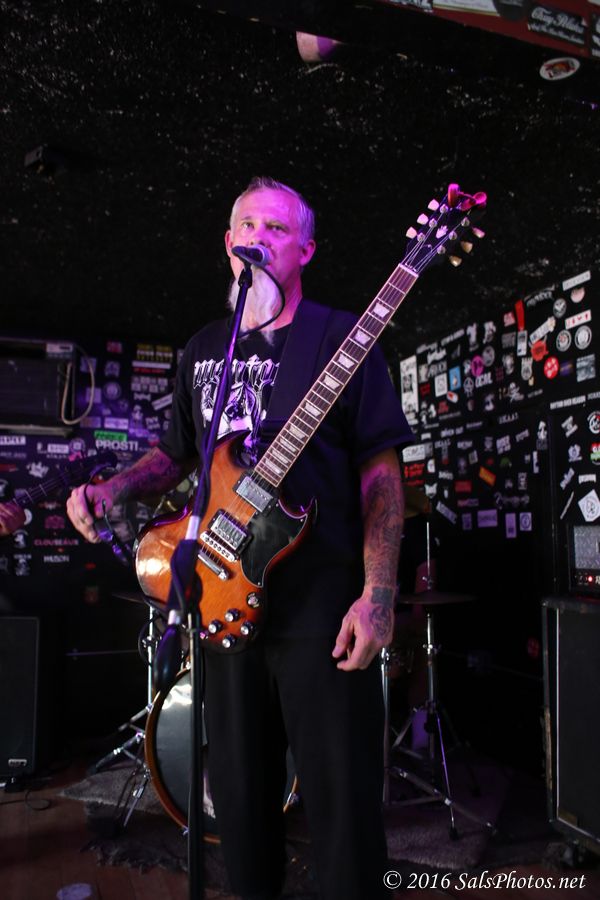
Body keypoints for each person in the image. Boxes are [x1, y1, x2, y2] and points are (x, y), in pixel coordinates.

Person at [66, 177, 413, 900]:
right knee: (239, 803)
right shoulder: (204, 350)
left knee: (343, 808)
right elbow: (174, 457)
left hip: (322, 606)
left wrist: (378, 594)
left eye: (277, 229)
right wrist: (112, 489)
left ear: (304, 250)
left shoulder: (341, 338)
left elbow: (381, 476)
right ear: (229, 245)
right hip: (222, 603)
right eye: (247, 225)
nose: (259, 237)